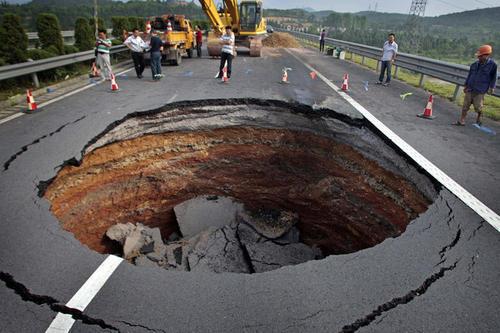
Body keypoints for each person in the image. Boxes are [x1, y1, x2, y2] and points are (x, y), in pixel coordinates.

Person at [456, 45, 497, 126]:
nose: (479, 57)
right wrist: (466, 85)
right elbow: (470, 75)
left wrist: (492, 87)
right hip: (470, 88)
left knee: (477, 107)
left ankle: (479, 117)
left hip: (480, 90)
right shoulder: (474, 64)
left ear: (486, 55)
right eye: (478, 56)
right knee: (465, 106)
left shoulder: (493, 65)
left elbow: (494, 77)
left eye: (480, 56)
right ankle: (462, 120)